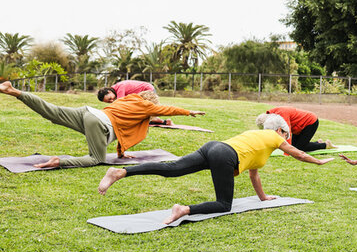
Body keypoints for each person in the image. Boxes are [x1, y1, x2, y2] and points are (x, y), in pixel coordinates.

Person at [98, 115, 333, 224]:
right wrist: (319, 162)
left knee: (172, 168)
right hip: (224, 156)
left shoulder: (257, 136)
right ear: (282, 131)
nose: (287, 139)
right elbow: (299, 153)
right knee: (223, 204)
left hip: (214, 148)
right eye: (287, 135)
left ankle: (121, 172)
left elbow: (254, 172)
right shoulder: (274, 137)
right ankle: (183, 209)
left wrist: (263, 197)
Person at [0, 81, 204, 168]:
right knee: (96, 159)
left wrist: (121, 153)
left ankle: (14, 91)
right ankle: (58, 162)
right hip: (99, 124)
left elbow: (122, 126)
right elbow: (167, 110)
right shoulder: (147, 107)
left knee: (52, 112)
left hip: (88, 113)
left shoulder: (126, 99)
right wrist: (189, 112)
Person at [258, 106, 334, 152]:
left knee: (300, 148)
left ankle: (325, 145)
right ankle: (317, 142)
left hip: (310, 122)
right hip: (299, 127)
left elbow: (287, 132)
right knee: (294, 147)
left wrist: (286, 152)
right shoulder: (272, 116)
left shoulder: (281, 114)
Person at [98, 80, 172, 125]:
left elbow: (119, 105)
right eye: (108, 102)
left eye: (110, 98)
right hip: (143, 94)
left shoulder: (120, 88)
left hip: (148, 92)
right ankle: (164, 122)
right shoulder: (117, 89)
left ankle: (161, 121)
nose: (111, 101)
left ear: (109, 91)